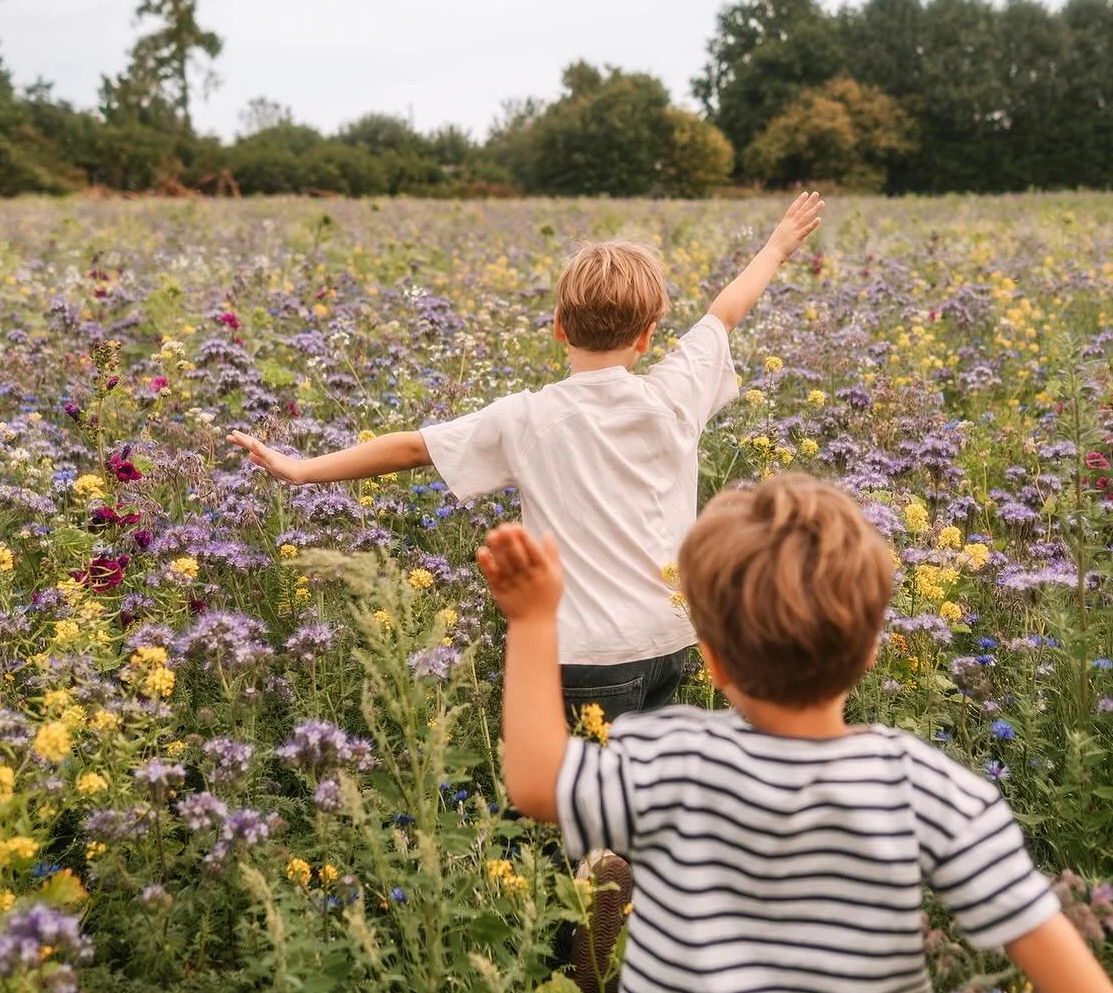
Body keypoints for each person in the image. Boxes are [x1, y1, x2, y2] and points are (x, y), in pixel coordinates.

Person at [475, 474, 1113, 993]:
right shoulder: (924, 782)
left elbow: (536, 781)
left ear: (710, 659)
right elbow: (1036, 930)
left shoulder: (678, 761)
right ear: (875, 647)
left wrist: (535, 620)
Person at [227, 191, 824, 722]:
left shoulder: (525, 418)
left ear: (559, 327)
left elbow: (413, 448)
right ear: (646, 337)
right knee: (638, 796)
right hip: (670, 638)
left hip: (583, 654)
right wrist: (776, 246)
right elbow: (725, 312)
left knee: (583, 811)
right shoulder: (674, 396)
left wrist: (300, 468)